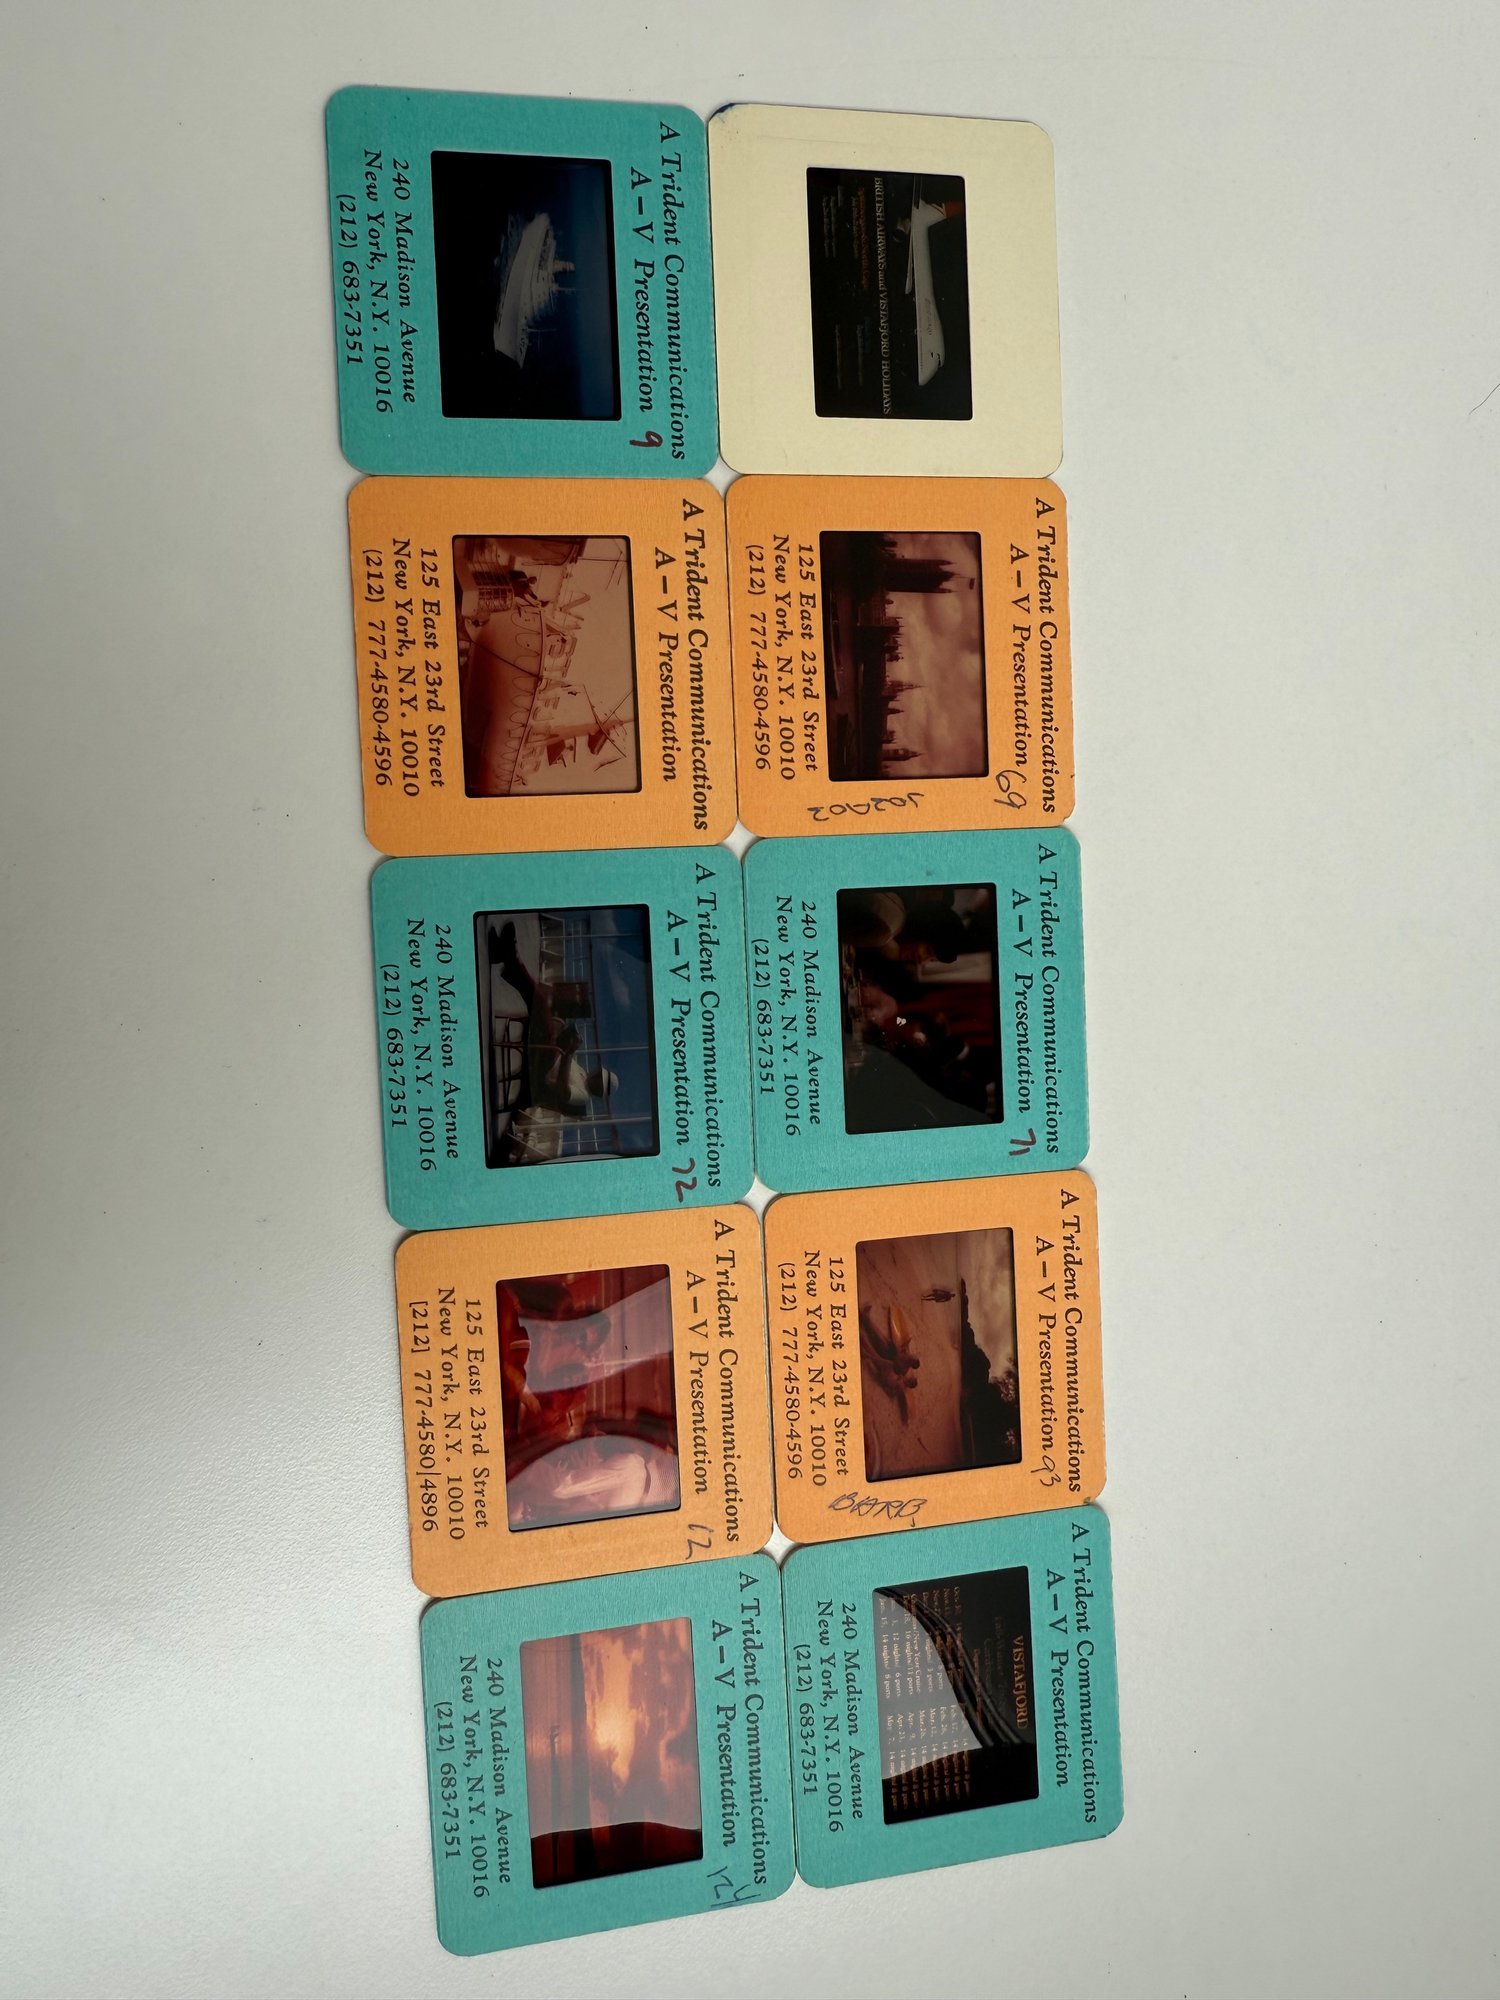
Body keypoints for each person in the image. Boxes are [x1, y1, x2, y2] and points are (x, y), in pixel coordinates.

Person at [487, 920, 618, 1116]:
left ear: (600, 1089)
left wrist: (569, 1052)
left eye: (600, 1076)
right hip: (547, 1053)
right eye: (601, 1072)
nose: (597, 1072)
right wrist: (565, 1040)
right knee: (548, 1005)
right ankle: (508, 958)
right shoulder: (582, 1074)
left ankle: (510, 958)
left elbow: (562, 1092)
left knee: (540, 1003)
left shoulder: (583, 1096)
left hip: (542, 1066)